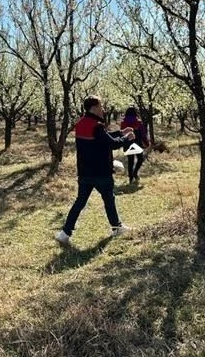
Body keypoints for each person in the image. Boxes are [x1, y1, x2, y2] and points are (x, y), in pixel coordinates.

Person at [55, 95, 135, 246]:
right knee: (109, 200)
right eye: (101, 106)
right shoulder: (96, 125)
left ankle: (65, 233)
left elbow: (102, 139)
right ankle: (117, 227)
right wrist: (127, 138)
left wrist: (120, 132)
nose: (103, 109)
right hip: (101, 172)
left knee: (80, 202)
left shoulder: (80, 124)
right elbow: (111, 144)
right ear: (94, 107)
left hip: (85, 172)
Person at [120, 106, 151, 183]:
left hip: (127, 143)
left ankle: (131, 179)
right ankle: (135, 172)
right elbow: (143, 133)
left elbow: (122, 134)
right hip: (137, 143)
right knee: (140, 159)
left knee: (130, 161)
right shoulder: (138, 122)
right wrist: (146, 142)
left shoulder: (123, 122)